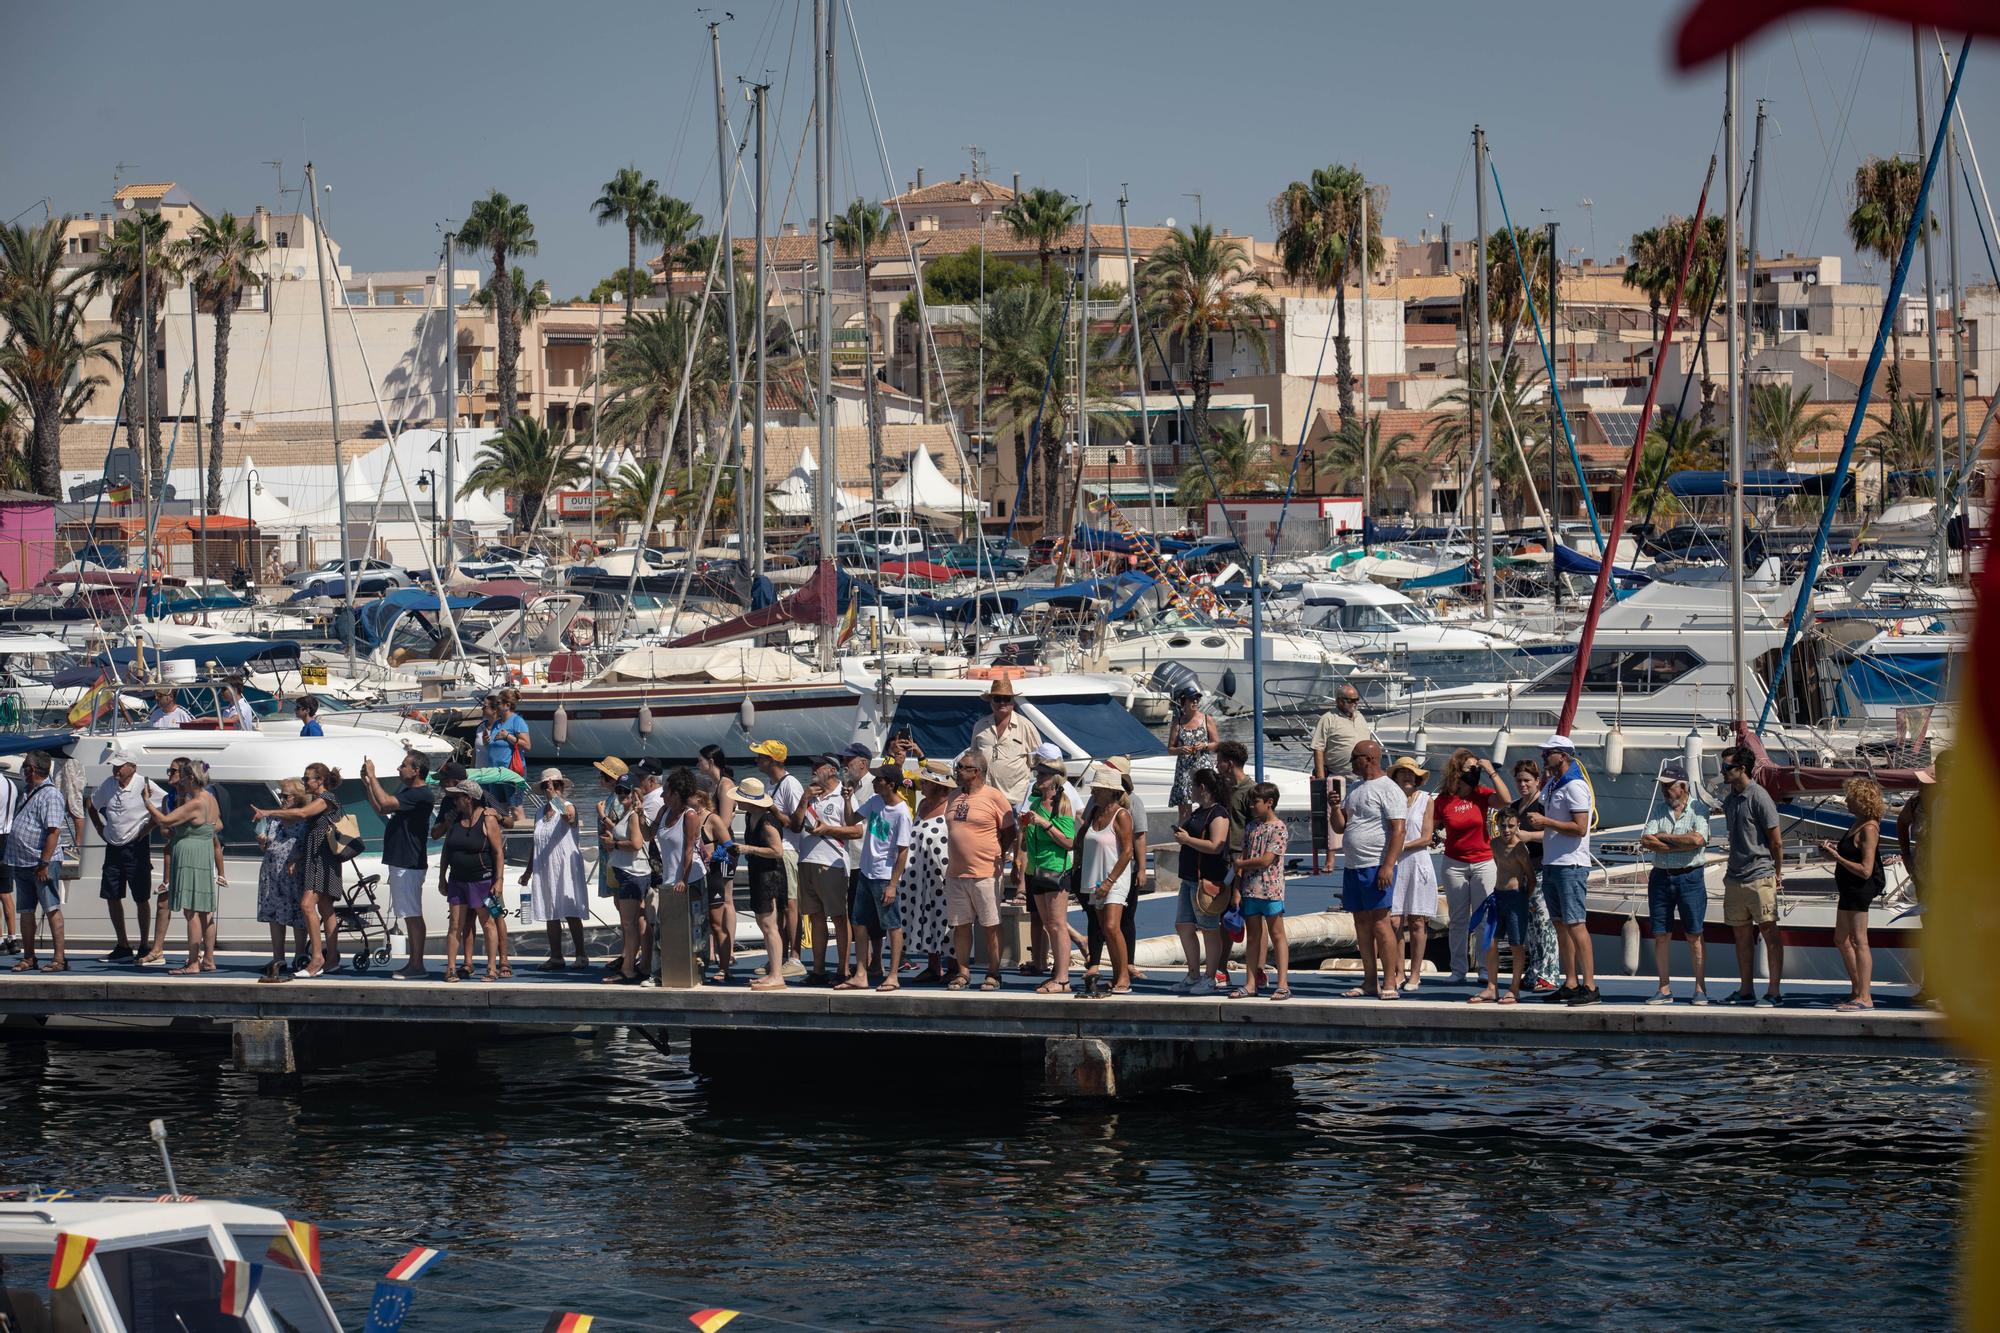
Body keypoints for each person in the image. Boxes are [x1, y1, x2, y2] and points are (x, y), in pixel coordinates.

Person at [1329, 739, 1406, 999]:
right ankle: (1369, 980)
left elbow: (1398, 830)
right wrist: (1333, 806)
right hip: (1353, 866)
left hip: (1376, 865)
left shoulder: (1389, 789)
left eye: (1355, 758)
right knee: (1361, 923)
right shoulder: (1356, 788)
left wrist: (1388, 865)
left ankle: (1391, 981)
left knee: (1381, 923)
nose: (1352, 762)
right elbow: (1341, 827)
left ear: (1369, 759)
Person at [252, 762, 344, 977]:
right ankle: (331, 958)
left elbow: (302, 813)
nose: (305, 782)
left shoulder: (327, 799)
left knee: (306, 905)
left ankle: (316, 959)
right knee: (326, 908)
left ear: (319, 780)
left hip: (323, 859)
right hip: (318, 858)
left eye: (307, 778)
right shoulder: (323, 800)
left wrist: (267, 811)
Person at [1525, 736, 1597, 1006]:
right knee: (1560, 925)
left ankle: (1589, 985)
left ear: (1563, 755)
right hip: (1553, 863)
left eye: (1548, 754)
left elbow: (1580, 828)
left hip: (1571, 864)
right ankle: (1570, 981)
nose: (1544, 757)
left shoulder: (1576, 786)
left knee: (1576, 924)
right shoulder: (1555, 784)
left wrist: (1545, 821)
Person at [1718, 744, 1785, 1006]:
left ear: (1741, 769)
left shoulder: (1759, 797)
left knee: (1769, 932)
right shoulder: (1730, 800)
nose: (1722, 772)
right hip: (1735, 876)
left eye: (1726, 768)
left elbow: (1776, 842)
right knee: (1741, 935)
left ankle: (1774, 992)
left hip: (1759, 875)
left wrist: (1776, 873)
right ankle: (1746, 989)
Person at [146, 758, 226, 975]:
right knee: (205, 912)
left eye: (183, 777)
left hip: (190, 856)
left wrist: (147, 802)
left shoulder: (196, 802)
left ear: (191, 778)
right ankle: (208, 959)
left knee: (191, 912)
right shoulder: (211, 799)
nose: (180, 780)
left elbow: (164, 820)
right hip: (203, 853)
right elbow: (217, 825)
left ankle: (193, 962)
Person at [361, 750, 437, 979]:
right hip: (401, 860)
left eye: (404, 765)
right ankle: (414, 964)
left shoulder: (421, 794)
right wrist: (367, 784)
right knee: (409, 913)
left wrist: (373, 777)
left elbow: (385, 801)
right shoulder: (409, 792)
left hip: (409, 862)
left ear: (416, 770)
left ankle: (417, 965)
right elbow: (382, 808)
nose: (399, 769)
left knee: (413, 914)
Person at [944, 748, 1015, 991]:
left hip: (985, 872)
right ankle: (963, 971)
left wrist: (999, 854)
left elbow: (1009, 830)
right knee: (960, 925)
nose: (957, 771)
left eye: (962, 767)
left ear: (976, 772)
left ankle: (994, 972)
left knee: (990, 925)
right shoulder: (953, 796)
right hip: (955, 873)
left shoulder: (994, 796)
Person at [1640, 765, 1710, 1005]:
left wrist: (1664, 838)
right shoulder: (1659, 810)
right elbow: (1646, 839)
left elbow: (1698, 839)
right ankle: (1664, 987)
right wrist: (1682, 843)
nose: (1664, 790)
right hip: (1661, 877)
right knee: (1661, 934)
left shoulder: (1699, 809)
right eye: (1663, 785)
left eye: (1669, 785)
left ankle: (1700, 988)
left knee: (1694, 934)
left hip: (1690, 877)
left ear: (1683, 786)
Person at [89, 747, 164, 963]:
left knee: (141, 896)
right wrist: (99, 829)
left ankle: (143, 944)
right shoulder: (108, 784)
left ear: (133, 767)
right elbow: (92, 805)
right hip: (113, 845)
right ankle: (122, 944)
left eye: (120, 766)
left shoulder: (144, 784)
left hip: (136, 846)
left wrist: (148, 828)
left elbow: (166, 805)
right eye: (115, 766)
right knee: (112, 895)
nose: (116, 769)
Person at [1823, 776, 1886, 1011]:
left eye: (1850, 797)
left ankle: (1865, 996)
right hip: (1847, 888)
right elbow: (1850, 854)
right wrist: (1832, 851)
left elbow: (1866, 870)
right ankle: (1857, 988)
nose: (1846, 801)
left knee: (1860, 940)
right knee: (1840, 938)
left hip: (1859, 889)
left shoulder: (1869, 828)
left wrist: (1837, 858)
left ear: (1861, 799)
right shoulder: (1856, 823)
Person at [849, 765, 914, 991]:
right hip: (866, 873)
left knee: (892, 926)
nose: (874, 782)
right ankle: (861, 973)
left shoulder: (902, 813)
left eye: (879, 780)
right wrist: (848, 799)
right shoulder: (875, 802)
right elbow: (851, 819)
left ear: (890, 784)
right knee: (858, 923)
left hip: (884, 877)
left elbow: (903, 851)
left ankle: (893, 975)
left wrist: (893, 885)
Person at [795, 757, 859, 986]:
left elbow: (857, 830)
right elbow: (796, 823)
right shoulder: (811, 795)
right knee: (815, 918)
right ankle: (818, 970)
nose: (813, 769)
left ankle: (842, 970)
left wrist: (829, 829)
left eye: (818, 766)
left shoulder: (845, 795)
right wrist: (804, 798)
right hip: (807, 860)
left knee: (839, 917)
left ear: (832, 770)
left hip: (831, 863)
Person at [1016, 764, 1077, 995]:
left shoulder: (1061, 805)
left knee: (1058, 924)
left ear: (1054, 780)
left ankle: (1063, 979)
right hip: (1036, 869)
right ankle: (1057, 974)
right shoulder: (1034, 804)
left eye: (1042, 774)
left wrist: (1043, 823)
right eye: (1037, 774)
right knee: (1048, 924)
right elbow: (1026, 842)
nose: (1037, 777)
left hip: (1055, 870)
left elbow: (1069, 842)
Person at [1172, 767, 1233, 996]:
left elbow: (1217, 846)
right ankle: (1193, 973)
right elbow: (1189, 838)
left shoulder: (1219, 814)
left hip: (1206, 878)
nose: (1191, 790)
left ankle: (1210, 976)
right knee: (1183, 925)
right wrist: (1183, 831)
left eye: (1193, 786)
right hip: (1188, 877)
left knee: (1209, 928)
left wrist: (1188, 840)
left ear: (1203, 788)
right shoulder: (1198, 812)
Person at [7, 751, 70, 972]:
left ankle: (59, 958)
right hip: (22, 861)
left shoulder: (50, 795)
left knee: (51, 907)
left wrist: (44, 864)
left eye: (25, 766)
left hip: (41, 862)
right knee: (25, 911)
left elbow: (53, 831)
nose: (23, 770)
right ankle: (29, 957)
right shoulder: (27, 791)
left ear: (32, 769)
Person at [748, 738, 806, 979]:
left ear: (772, 760)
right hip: (775, 849)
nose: (757, 760)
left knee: (790, 904)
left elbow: (796, 823)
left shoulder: (789, 784)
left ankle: (794, 956)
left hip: (788, 849)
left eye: (761, 756)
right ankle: (778, 956)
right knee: (778, 906)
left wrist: (771, 809)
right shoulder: (770, 784)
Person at [522, 768, 590, 972]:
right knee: (550, 912)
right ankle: (556, 956)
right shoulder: (539, 812)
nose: (549, 790)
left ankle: (581, 954)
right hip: (544, 867)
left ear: (561, 787)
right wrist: (528, 870)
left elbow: (570, 819)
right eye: (546, 787)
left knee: (570, 911)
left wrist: (555, 799)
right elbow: (536, 843)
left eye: (553, 786)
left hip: (565, 867)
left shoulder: (569, 806)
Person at [437, 777, 505, 982]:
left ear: (468, 799)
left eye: (457, 797)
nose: (454, 801)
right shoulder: (454, 819)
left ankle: (492, 968)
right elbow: (446, 849)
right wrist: (442, 877)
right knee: (455, 925)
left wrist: (499, 880)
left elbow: (498, 852)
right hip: (458, 880)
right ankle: (451, 968)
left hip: (483, 881)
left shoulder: (488, 819)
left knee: (489, 922)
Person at [1077, 765, 1136, 996]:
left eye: (1098, 790)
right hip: (1094, 877)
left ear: (1111, 791)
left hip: (1115, 878)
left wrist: (1110, 881)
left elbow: (1128, 852)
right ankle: (1116, 975)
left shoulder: (1122, 815)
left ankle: (1123, 977)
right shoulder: (1094, 814)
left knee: (1112, 926)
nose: (1094, 793)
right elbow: (1081, 842)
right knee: (1104, 928)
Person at [1230, 782, 1290, 1000]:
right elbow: (1244, 856)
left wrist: (1240, 865)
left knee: (1277, 934)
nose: (1252, 806)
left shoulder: (1279, 828)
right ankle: (1251, 983)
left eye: (1256, 802)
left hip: (1271, 890)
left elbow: (1266, 860)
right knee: (1253, 937)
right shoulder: (1251, 827)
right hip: (1249, 890)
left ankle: (1282, 983)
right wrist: (1237, 890)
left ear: (1269, 802)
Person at [1471, 808, 1537, 1004]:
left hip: (1516, 898)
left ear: (1518, 825)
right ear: (1497, 826)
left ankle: (1514, 988)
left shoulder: (1520, 849)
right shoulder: (1494, 844)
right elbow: (1500, 867)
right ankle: (1492, 987)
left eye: (1510, 826)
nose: (1506, 830)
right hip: (1498, 896)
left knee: (1516, 945)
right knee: (1490, 941)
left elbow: (1531, 878)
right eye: (1502, 826)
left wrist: (1524, 899)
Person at [1505, 756, 1559, 991]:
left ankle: (1549, 972)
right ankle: (1534, 970)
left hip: (1540, 868)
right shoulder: (1516, 807)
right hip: (1521, 873)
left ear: (1537, 781)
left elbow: (1555, 834)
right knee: (1530, 925)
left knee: (1544, 923)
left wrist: (1528, 836)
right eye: (1519, 781)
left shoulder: (1544, 806)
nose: (1523, 785)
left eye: (1527, 780)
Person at [1386, 756, 1438, 992]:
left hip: (1416, 860)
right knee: (1394, 920)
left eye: (1411, 773)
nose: (1407, 776)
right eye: (1402, 772)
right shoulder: (1388, 799)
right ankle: (1398, 972)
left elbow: (1427, 837)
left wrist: (1401, 846)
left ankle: (1415, 974)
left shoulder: (1426, 800)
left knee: (1417, 920)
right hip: (1394, 863)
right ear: (1395, 776)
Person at [646, 769, 703, 984]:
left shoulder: (689, 816)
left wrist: (683, 879)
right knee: (664, 929)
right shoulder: (663, 812)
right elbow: (649, 835)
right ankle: (661, 973)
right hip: (668, 879)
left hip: (689, 878)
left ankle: (689, 972)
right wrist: (638, 813)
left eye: (666, 792)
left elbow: (689, 849)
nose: (662, 796)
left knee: (691, 930)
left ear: (676, 794)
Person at [733, 777, 789, 991]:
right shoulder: (750, 816)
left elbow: (777, 851)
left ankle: (777, 975)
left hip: (770, 876)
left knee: (769, 925)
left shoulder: (766, 821)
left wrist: (749, 849)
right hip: (758, 873)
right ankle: (773, 972)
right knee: (763, 925)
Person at [903, 759, 956, 984]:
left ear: (937, 784)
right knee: (925, 918)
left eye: (925, 781)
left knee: (947, 921)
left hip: (943, 873)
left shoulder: (950, 806)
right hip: (918, 873)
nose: (921, 785)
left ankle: (954, 967)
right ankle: (933, 966)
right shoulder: (923, 804)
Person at [254, 778, 309, 979]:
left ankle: (300, 955)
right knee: (274, 915)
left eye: (286, 796)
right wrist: (262, 841)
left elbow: (309, 846)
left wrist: (298, 859)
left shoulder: (305, 819)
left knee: (297, 914)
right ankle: (278, 957)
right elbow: (265, 845)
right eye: (282, 796)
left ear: (298, 797)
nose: (282, 800)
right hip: (272, 871)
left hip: (294, 873)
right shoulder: (274, 819)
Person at [600, 777, 650, 984]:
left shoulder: (633, 817)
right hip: (628, 872)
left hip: (632, 873)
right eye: (619, 791)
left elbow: (637, 843)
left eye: (626, 791)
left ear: (635, 794)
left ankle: (628, 968)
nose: (622, 795)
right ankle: (635, 964)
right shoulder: (627, 814)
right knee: (633, 923)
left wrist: (614, 843)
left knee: (629, 924)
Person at [697, 744, 740, 973]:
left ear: (710, 761)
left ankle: (729, 949)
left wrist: (714, 850)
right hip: (713, 845)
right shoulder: (713, 784)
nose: (698, 765)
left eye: (700, 761)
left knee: (726, 898)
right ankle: (717, 948)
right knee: (717, 900)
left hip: (723, 847)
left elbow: (724, 822)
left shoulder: (725, 785)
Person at [969, 677, 1042, 803]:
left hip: (1015, 799)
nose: (1002, 703)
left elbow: (1038, 760)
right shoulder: (980, 725)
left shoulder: (1025, 726)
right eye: (997, 699)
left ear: (1012, 702)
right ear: (991, 701)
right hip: (985, 796)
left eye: (1006, 699)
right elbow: (973, 758)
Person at [478, 694, 531, 826]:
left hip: (510, 771)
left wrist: (508, 736)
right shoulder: (497, 723)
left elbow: (527, 745)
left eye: (499, 703)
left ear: (507, 705)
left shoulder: (517, 721)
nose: (496, 706)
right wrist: (486, 742)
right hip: (495, 773)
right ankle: (504, 843)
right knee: (499, 809)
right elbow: (494, 747)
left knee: (515, 808)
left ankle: (522, 841)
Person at [1167, 685, 1219, 817]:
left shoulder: (1207, 719)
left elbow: (1217, 744)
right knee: (1184, 810)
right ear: (1184, 702)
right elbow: (1170, 749)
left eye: (1197, 699)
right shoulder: (1177, 723)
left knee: (1207, 802)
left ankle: (1206, 831)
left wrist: (1205, 745)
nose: (1195, 702)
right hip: (1184, 770)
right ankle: (1185, 833)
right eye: (1191, 699)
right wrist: (1180, 749)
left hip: (1203, 768)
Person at [1310, 684, 1371, 785]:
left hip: (1362, 778)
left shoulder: (1360, 717)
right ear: (1339, 701)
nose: (1355, 703)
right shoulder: (1328, 719)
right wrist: (1320, 780)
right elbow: (1318, 748)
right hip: (1338, 778)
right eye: (1351, 700)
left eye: (1357, 700)